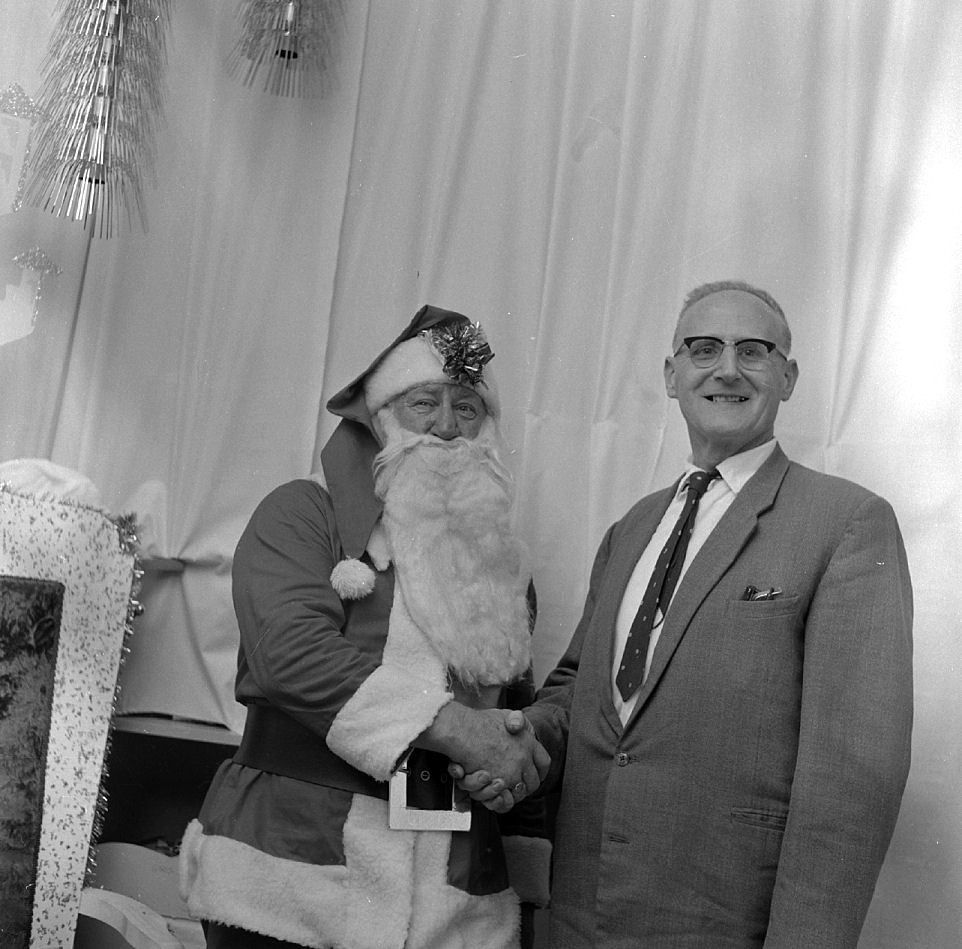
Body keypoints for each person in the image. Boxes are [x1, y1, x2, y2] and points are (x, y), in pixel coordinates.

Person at [460, 280, 913, 947]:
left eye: (752, 351)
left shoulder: (846, 523)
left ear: (787, 377)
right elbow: (579, 690)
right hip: (584, 920)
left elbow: (851, 783)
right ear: (671, 376)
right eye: (704, 349)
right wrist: (523, 739)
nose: (727, 368)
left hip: (726, 925)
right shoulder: (633, 528)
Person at [179, 305, 550, 949]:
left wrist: (510, 760)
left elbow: (508, 725)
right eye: (423, 403)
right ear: (380, 421)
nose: (445, 427)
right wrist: (461, 731)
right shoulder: (301, 514)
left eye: (467, 408)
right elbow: (292, 656)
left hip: (452, 899)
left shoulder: (504, 575)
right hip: (290, 873)